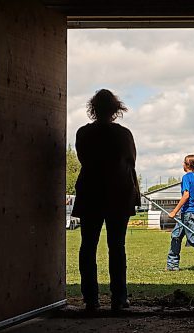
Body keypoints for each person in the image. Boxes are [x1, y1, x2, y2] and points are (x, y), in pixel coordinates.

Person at [72, 89, 141, 312]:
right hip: (118, 196)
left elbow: (83, 158)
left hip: (91, 194)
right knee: (117, 247)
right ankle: (119, 298)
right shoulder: (124, 135)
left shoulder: (83, 133)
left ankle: (91, 299)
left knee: (88, 246)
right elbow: (130, 161)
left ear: (93, 108)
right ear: (115, 109)